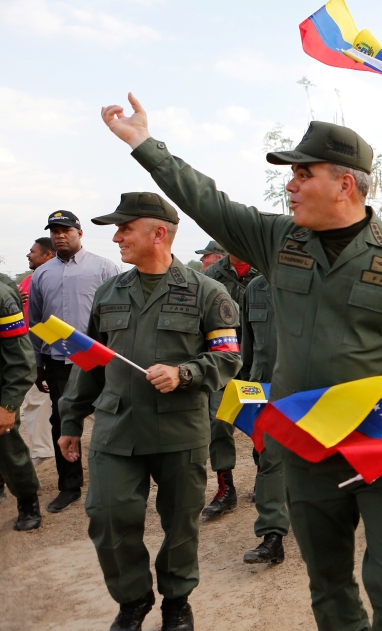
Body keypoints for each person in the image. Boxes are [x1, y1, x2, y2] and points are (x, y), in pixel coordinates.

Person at [102, 93, 382, 631]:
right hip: (308, 445)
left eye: (303, 173)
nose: (289, 185)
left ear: (345, 183)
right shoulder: (279, 239)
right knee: (328, 584)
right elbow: (207, 200)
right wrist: (142, 144)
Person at [57, 193, 243, 631]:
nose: (117, 237)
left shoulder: (207, 292)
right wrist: (69, 419)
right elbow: (90, 360)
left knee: (180, 524)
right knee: (106, 516)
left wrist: (186, 374)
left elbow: (228, 357)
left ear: (158, 233)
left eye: (125, 228)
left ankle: (177, 600)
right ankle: (134, 599)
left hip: (180, 428)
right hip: (117, 426)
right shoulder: (110, 291)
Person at [28, 209, 118, 513]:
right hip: (59, 361)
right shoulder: (42, 274)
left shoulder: (104, 267)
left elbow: (121, 312)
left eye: (65, 230)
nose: (59, 235)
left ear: (79, 233)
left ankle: (113, 480)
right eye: (54, 231)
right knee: (63, 421)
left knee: (111, 415)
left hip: (99, 357)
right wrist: (39, 363)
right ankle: (69, 485)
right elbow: (36, 320)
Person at [200, 251, 260, 520]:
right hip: (222, 362)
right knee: (218, 422)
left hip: (257, 364)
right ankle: (226, 487)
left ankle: (265, 478)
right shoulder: (211, 277)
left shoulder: (265, 273)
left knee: (260, 421)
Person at [240, 273, 290, 565]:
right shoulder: (254, 288)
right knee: (269, 457)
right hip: (266, 388)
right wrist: (244, 381)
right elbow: (249, 343)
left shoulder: (320, 277)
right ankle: (272, 536)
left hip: (310, 388)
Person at [0, 280, 43, 531]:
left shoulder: (2, 297)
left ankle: (28, 502)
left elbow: (21, 360)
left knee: (8, 451)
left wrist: (8, 405)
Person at [18, 238, 56, 463]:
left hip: (45, 349)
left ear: (48, 255)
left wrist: (43, 352)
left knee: (39, 399)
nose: (28, 255)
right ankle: (42, 449)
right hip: (27, 349)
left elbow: (50, 319)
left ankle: (42, 451)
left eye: (32, 252)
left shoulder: (50, 281)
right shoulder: (27, 281)